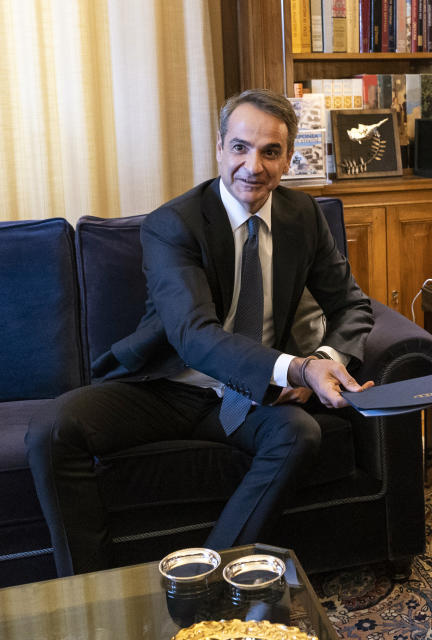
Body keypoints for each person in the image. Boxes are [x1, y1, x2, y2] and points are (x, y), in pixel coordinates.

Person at [26, 88, 375, 576]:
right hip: (167, 386)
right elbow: (193, 335)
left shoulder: (302, 216)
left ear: (288, 158)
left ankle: (206, 580)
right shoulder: (175, 223)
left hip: (252, 397)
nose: (253, 165)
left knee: (300, 434)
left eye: (270, 151)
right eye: (240, 147)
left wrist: (324, 359)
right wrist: (296, 368)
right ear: (218, 148)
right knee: (51, 429)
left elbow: (352, 305)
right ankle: (91, 590)